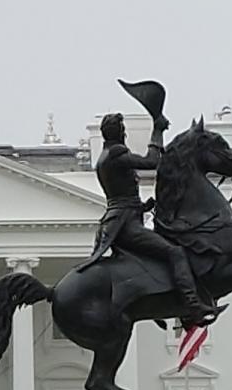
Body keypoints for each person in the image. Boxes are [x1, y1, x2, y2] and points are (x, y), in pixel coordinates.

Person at [81, 111, 219, 329]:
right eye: (123, 130)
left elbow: (120, 197)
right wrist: (157, 131)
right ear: (120, 133)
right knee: (175, 252)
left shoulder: (105, 158)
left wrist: (143, 206)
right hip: (126, 227)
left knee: (156, 255)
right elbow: (152, 161)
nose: (125, 133)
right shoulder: (116, 156)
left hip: (120, 221)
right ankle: (192, 305)